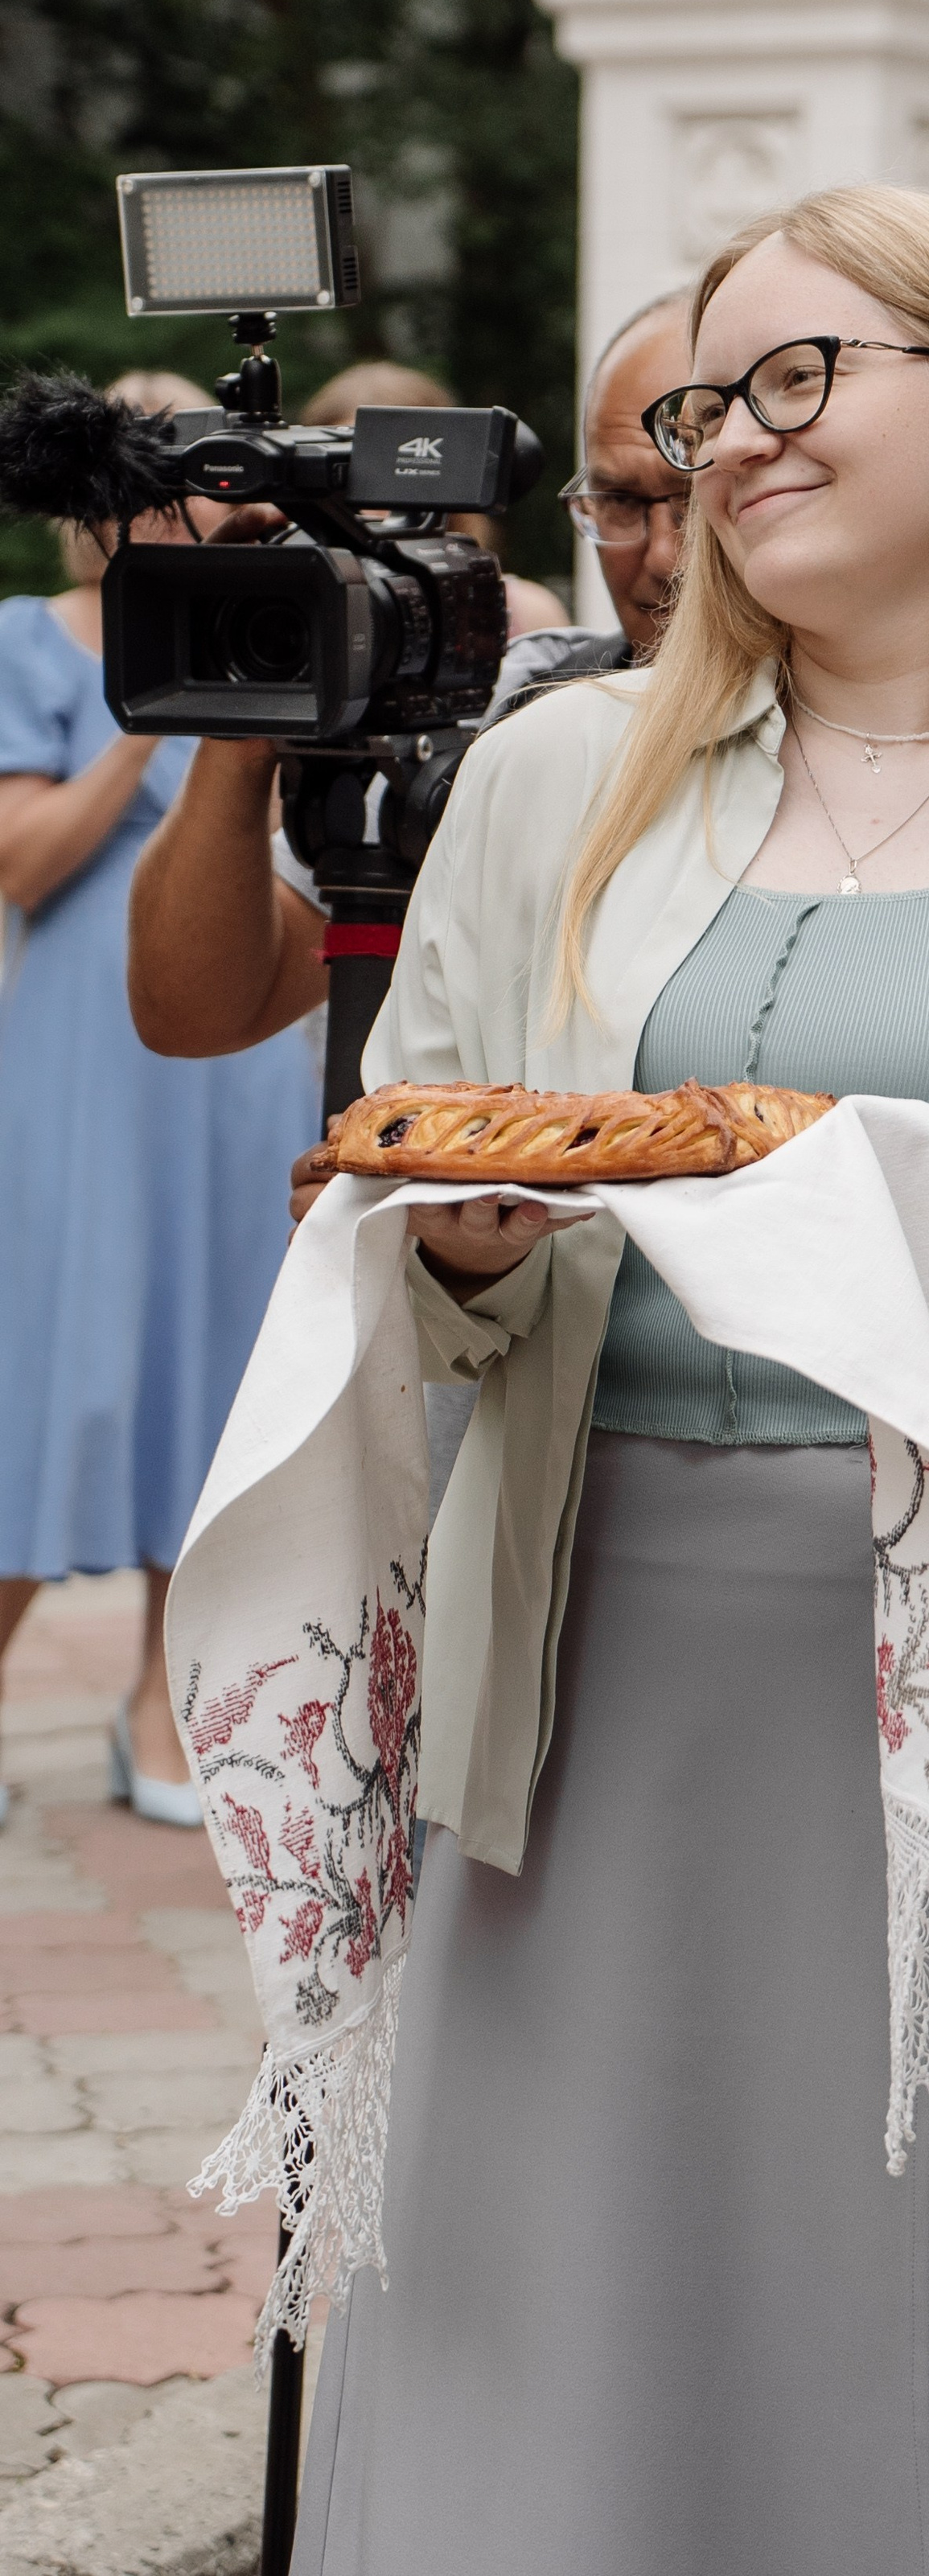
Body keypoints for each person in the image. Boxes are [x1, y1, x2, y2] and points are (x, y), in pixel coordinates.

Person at [287, 184, 929, 2575]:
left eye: (794, 380)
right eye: (697, 404)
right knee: (578, 2315)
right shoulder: (557, 780)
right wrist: (447, 1236)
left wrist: (848, 1203)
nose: (731, 443)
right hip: (600, 1635)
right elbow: (391, 1177)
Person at [0, 372, 319, 1827]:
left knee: (213, 1354)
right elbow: (25, 864)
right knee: (56, 1363)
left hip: (241, 1060)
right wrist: (159, 688)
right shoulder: (25, 643)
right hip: (81, 1055)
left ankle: (160, 1703)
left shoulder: (292, 620)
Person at [126, 297, 692, 1061]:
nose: (658, 557)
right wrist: (250, 710)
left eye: (690, 499)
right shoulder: (505, 709)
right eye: (619, 501)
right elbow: (194, 1013)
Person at [302, 359, 565, 634]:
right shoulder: (290, 604)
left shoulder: (526, 612)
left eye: (395, 474)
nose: (370, 508)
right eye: (347, 478)